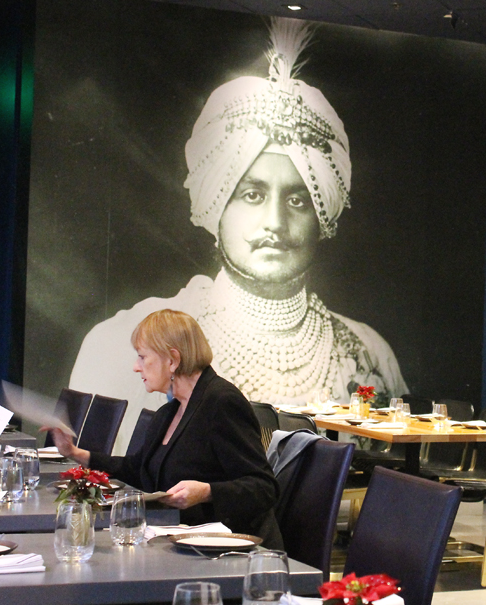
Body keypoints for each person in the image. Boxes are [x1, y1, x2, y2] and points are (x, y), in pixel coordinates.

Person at [69, 17, 407, 455]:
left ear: (323, 215)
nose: (275, 222)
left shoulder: (370, 352)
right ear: (218, 206)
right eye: (252, 194)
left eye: (298, 200)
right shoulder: (126, 342)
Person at [48, 309, 283, 549]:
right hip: (184, 545)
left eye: (142, 357)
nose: (136, 367)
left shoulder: (222, 403)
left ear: (172, 360)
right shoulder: (169, 412)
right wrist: (74, 452)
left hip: (231, 553)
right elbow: (137, 469)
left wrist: (207, 491)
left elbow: (264, 487)